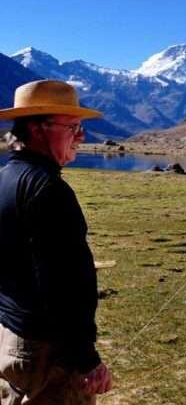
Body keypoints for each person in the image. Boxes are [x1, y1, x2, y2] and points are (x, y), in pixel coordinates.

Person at [0, 80, 113, 404]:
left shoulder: (4, 180)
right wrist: (87, 359)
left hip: (11, 338)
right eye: (73, 127)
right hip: (46, 352)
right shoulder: (48, 190)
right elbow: (62, 285)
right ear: (37, 129)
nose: (82, 136)